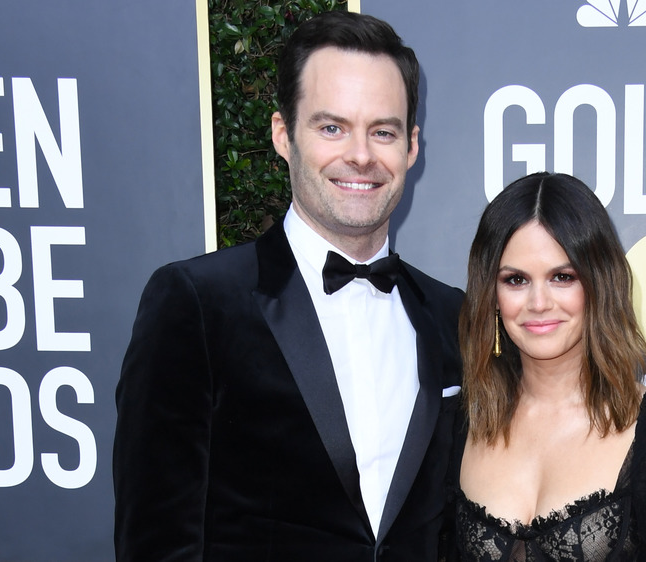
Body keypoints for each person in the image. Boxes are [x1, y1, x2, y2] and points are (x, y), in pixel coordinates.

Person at [112, 11, 463, 561]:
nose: (361, 155)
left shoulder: (451, 316)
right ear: (283, 134)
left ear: (412, 146)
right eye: (331, 127)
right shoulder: (198, 303)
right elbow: (155, 541)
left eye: (383, 131)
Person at [451, 172, 646, 561]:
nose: (538, 302)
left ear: (598, 284)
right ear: (492, 295)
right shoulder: (461, 423)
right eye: (516, 279)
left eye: (562, 277)